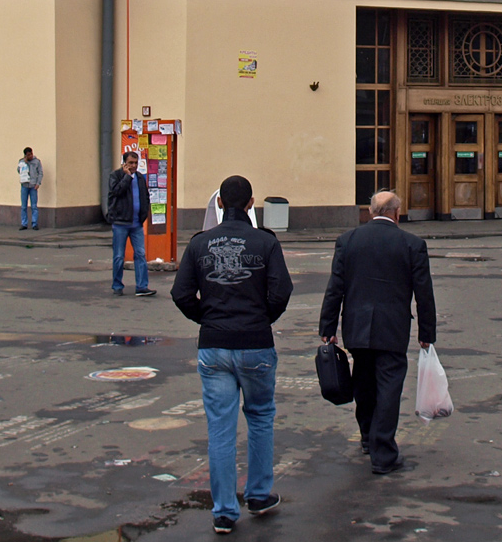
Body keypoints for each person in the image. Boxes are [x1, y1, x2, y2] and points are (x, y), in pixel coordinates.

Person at [171, 175, 292, 535]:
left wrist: (206, 318)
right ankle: (258, 494)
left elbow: (180, 294)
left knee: (220, 428)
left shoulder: (200, 243)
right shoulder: (266, 242)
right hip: (255, 343)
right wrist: (262, 319)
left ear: (220, 203)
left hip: (214, 345)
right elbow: (281, 292)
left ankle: (224, 511)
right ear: (252, 203)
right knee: (260, 416)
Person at [319, 191, 437, 475]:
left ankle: (367, 437)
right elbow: (424, 293)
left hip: (357, 326)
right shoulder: (412, 244)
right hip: (392, 327)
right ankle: (383, 452)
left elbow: (336, 287)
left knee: (363, 382)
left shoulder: (348, 240)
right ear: (397, 213)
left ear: (370, 212)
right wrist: (427, 332)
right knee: (389, 388)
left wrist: (327, 327)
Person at [106, 151, 155, 297]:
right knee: (119, 256)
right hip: (120, 223)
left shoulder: (139, 177)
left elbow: (145, 196)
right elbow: (116, 192)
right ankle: (117, 286)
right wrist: (127, 176)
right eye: (130, 163)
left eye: (135, 163)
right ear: (124, 163)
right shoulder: (115, 176)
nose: (133, 166)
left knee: (140, 254)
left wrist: (144, 214)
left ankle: (142, 287)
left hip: (136, 224)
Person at [17, 147, 43, 231]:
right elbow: (19, 171)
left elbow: (40, 173)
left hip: (33, 186)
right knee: (23, 206)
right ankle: (24, 223)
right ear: (25, 155)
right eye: (28, 155)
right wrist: (24, 163)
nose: (30, 156)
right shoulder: (21, 161)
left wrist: (38, 183)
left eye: (31, 154)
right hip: (24, 185)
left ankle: (34, 223)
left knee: (34, 206)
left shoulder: (36, 162)